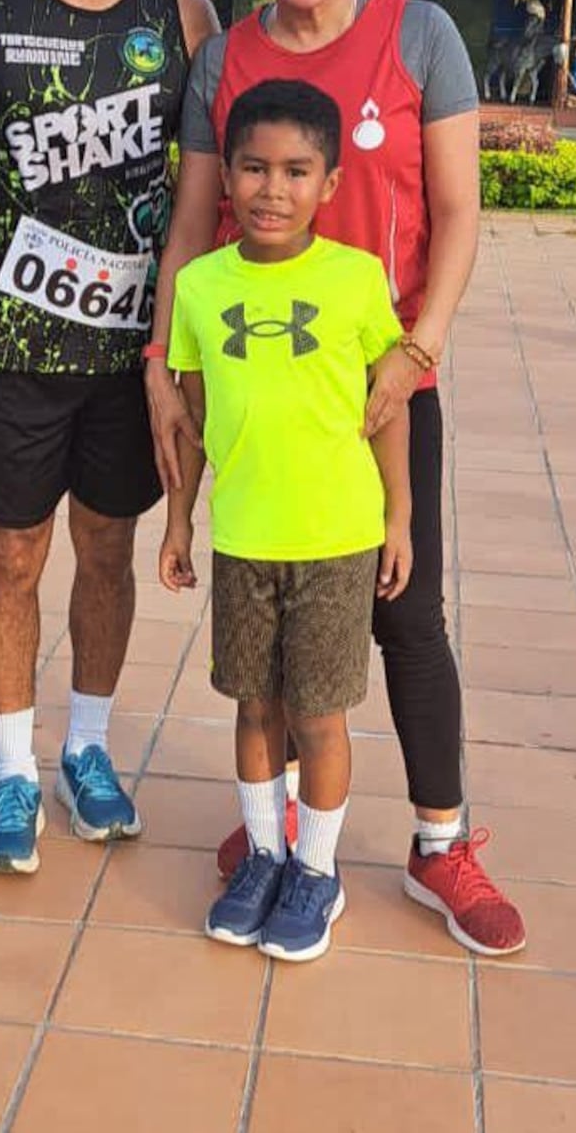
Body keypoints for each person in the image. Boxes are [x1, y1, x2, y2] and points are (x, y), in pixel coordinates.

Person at [147, 0, 527, 957]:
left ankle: (438, 839)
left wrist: (418, 348)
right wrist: (165, 362)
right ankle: (277, 831)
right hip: (260, 381)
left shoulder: (420, 35)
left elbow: (457, 211)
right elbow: (194, 219)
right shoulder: (225, 60)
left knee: (407, 611)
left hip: (380, 384)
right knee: (262, 620)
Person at [0, 0, 220, 873]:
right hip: (13, 345)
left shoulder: (186, 14)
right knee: (12, 557)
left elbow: (225, 176)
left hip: (131, 357)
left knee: (107, 553)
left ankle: (86, 751)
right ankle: (14, 769)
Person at [161, 79, 412, 961]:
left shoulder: (353, 281)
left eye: (297, 171)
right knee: (253, 704)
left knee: (318, 714)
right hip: (244, 537)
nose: (274, 189)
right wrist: (179, 523)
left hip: (338, 538)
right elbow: (190, 418)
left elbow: (392, 406)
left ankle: (316, 870)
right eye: (256, 169)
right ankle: (263, 856)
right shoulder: (197, 286)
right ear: (223, 176)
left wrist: (402, 517)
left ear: (331, 183)